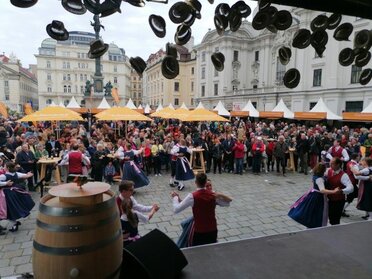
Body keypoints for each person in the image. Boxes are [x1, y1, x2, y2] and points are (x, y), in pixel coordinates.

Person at [171, 173, 230, 247]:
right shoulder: (213, 195)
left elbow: (176, 209)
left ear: (195, 183)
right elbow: (227, 204)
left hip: (199, 230)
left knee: (198, 253)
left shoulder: (192, 196)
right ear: (205, 182)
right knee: (211, 251)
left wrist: (175, 198)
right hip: (212, 229)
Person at [288, 163, 340, 228]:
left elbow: (314, 185)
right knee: (316, 212)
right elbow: (322, 190)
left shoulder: (315, 176)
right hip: (318, 197)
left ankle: (311, 225)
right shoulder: (319, 179)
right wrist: (334, 191)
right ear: (322, 170)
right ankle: (314, 225)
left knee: (311, 211)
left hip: (313, 194)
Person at [0, 162, 35, 232]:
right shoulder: (16, 174)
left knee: (8, 210)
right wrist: (28, 175)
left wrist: (5, 183)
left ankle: (14, 223)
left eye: (4, 166)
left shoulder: (4, 176)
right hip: (15, 192)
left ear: (8, 168)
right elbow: (24, 175)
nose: (3, 167)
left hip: (6, 194)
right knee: (12, 208)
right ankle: (14, 223)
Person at [324, 157, 354, 225]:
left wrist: (341, 191)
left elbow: (351, 188)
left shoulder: (343, 175)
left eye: (332, 164)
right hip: (329, 199)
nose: (330, 165)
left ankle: (336, 232)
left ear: (338, 165)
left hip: (338, 201)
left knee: (335, 220)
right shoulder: (328, 171)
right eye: (330, 163)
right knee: (330, 217)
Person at [342, 153, 360, 217]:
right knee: (350, 198)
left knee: (352, 196)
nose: (359, 157)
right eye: (358, 156)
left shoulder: (349, 163)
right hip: (352, 183)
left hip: (350, 182)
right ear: (356, 157)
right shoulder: (353, 165)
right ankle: (341, 210)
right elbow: (356, 176)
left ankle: (342, 208)